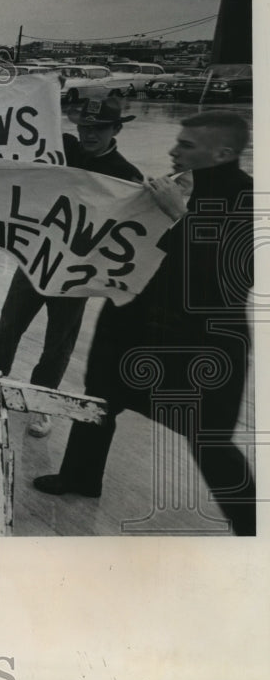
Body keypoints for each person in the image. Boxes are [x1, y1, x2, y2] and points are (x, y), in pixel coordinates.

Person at [34, 111, 255, 536]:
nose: (174, 150)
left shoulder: (248, 199)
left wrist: (178, 214)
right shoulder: (180, 185)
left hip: (200, 340)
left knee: (208, 439)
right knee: (97, 402)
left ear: (223, 152)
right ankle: (80, 476)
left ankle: (253, 528)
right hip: (135, 323)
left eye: (187, 145)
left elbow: (232, 275)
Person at [0, 95, 144, 436]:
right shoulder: (62, 149)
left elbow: (133, 232)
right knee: (8, 326)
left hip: (78, 273)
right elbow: (25, 134)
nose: (89, 135)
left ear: (116, 129)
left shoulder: (126, 176)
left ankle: (41, 403)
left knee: (59, 342)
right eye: (83, 128)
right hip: (37, 258)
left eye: (98, 129)